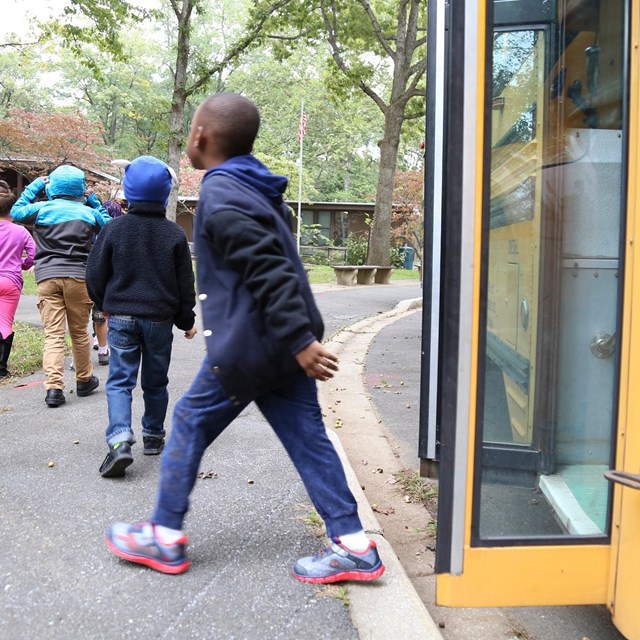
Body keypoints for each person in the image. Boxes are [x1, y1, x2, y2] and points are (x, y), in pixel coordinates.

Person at [105, 93, 386, 584]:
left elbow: (268, 267)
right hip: (277, 345)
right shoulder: (251, 185)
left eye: (192, 128)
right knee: (308, 436)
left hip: (254, 345)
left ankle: (164, 537)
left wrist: (299, 340)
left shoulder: (223, 192)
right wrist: (296, 342)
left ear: (201, 138)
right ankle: (355, 545)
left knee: (190, 421)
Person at [86, 156, 197, 478]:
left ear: (129, 193)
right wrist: (186, 320)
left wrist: (103, 303)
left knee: (120, 382)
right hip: (159, 320)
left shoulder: (113, 229)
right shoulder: (173, 234)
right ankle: (153, 436)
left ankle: (120, 439)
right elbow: (183, 285)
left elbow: (95, 273)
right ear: (164, 194)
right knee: (155, 381)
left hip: (120, 316)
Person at [10, 166, 111, 407]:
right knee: (79, 333)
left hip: (47, 277)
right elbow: (109, 227)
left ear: (52, 186)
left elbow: (16, 212)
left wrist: (35, 186)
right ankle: (84, 380)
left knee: (53, 335)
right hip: (78, 277)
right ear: (80, 188)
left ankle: (54, 388)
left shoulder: (42, 209)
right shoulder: (87, 212)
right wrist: (93, 199)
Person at [0, 180, 36, 377]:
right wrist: (23, 265)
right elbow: (33, 254)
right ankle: (1, 368)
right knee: (4, 322)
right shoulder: (20, 231)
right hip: (10, 281)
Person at [91, 200, 124, 367]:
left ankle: (99, 342)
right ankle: (106, 346)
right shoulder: (121, 229)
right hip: (114, 279)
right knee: (109, 313)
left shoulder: (93, 230)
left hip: (93, 276)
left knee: (95, 313)